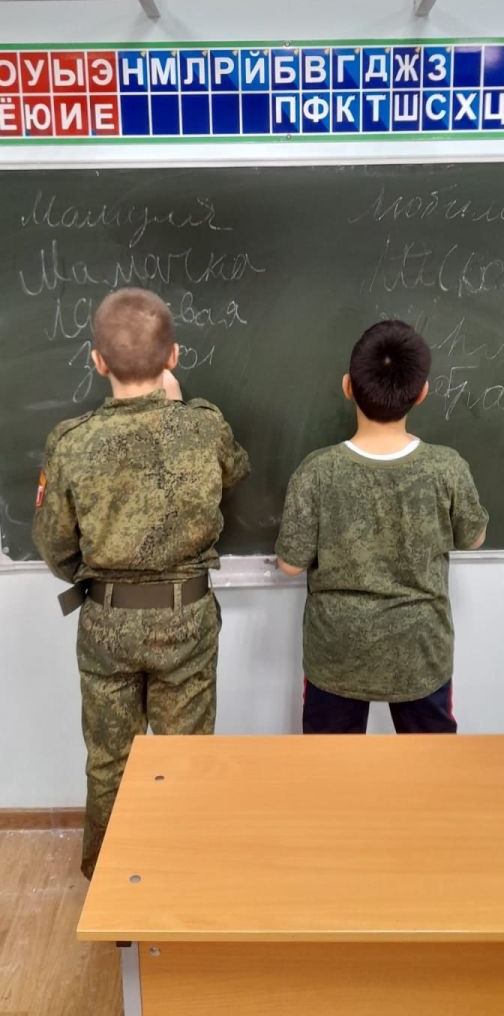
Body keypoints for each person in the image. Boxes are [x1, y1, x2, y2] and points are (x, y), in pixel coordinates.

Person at [33, 287, 250, 878]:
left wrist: (92, 575)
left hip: (107, 621)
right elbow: (236, 470)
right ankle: (180, 876)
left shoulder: (71, 442)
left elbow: (54, 544)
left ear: (97, 360)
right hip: (186, 619)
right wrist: (177, 409)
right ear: (173, 356)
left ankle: (112, 887)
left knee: (111, 762)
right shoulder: (204, 427)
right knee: (184, 759)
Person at [275, 319, 487, 736]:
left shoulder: (316, 471)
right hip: (420, 651)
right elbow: (474, 537)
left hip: (337, 654)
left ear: (347, 386)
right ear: (422, 392)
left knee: (329, 765)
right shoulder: (446, 467)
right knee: (433, 764)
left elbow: (290, 564)